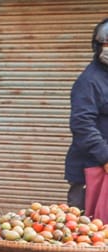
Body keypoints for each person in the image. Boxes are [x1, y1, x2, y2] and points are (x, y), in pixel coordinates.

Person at [65, 18, 108, 211]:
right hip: (92, 168)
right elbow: (82, 124)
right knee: (87, 233)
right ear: (98, 46)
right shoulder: (90, 81)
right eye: (106, 44)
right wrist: (105, 157)